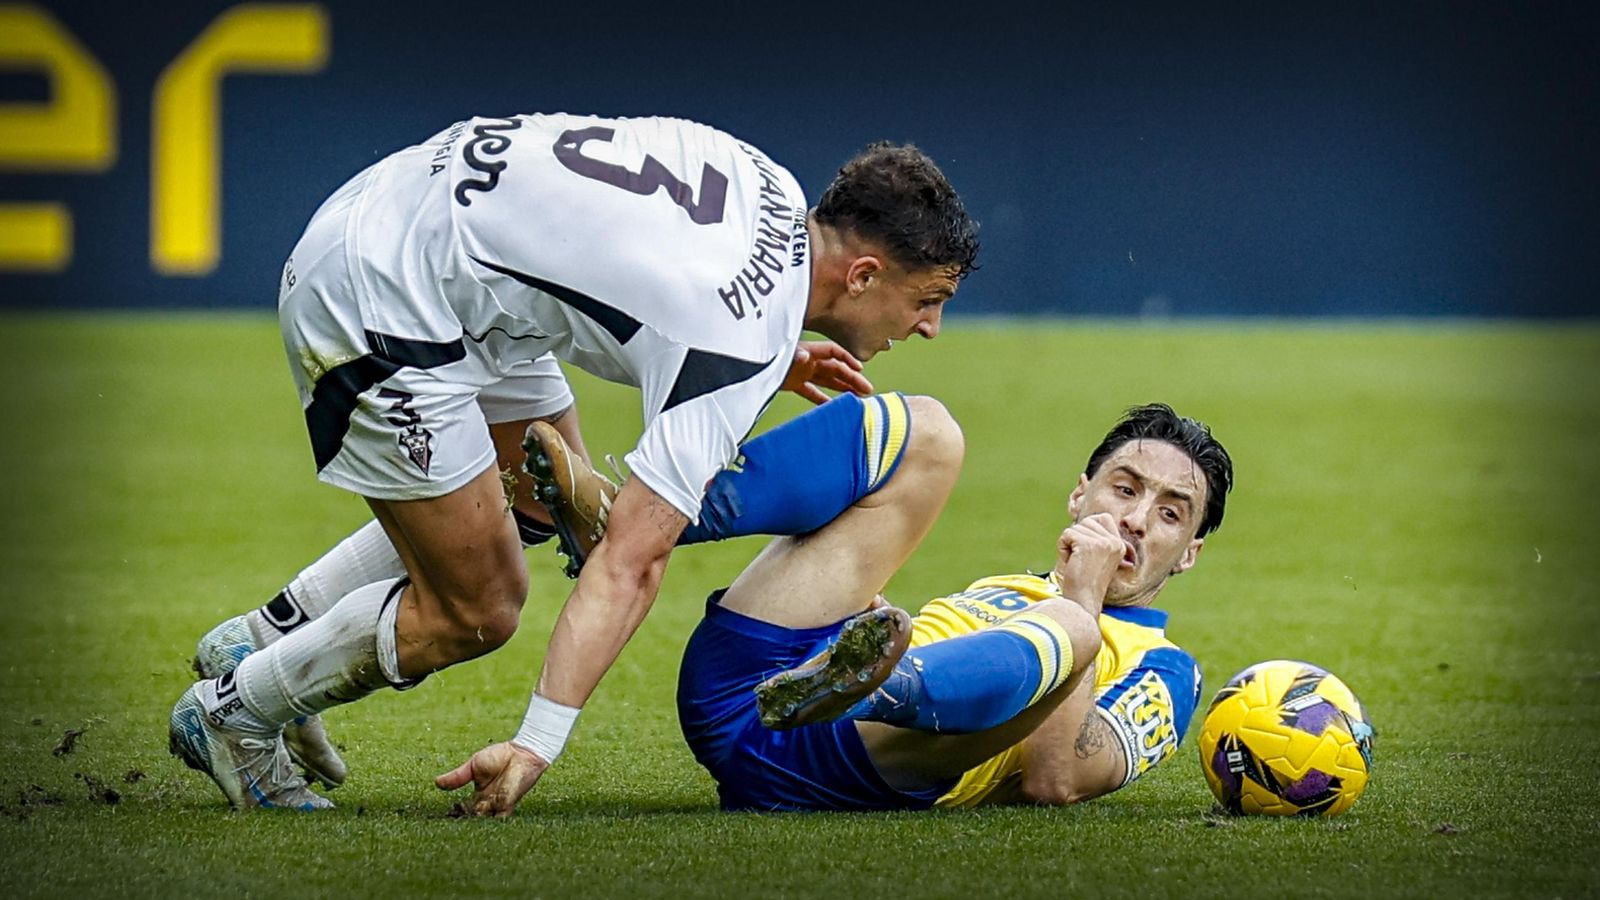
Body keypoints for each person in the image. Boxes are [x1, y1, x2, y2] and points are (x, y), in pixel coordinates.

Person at [168, 112, 979, 813]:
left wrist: (770, 359)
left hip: (403, 212)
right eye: (927, 299)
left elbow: (630, 261)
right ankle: (236, 712)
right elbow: (629, 559)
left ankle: (257, 643)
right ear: (865, 274)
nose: (930, 327)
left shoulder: (760, 176)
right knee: (477, 609)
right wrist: (537, 745)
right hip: (377, 296)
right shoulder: (736, 342)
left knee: (537, 496)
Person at [520, 399, 1230, 811]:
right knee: (929, 432)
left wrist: (1086, 600)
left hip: (855, 763)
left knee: (1071, 631)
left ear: (1191, 552)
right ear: (1081, 494)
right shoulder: (1007, 589)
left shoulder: (1168, 670)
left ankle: (874, 685)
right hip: (746, 698)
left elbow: (1058, 779)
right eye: (1125, 488)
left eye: (1172, 514)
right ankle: (639, 518)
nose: (1136, 519)